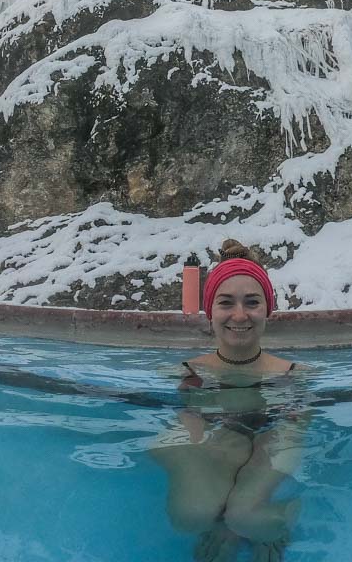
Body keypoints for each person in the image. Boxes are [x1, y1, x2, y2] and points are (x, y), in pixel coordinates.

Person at [151, 239, 308, 562]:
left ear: (268, 310)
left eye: (252, 302)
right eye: (226, 303)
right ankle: (226, 521)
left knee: (250, 518)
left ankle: (277, 518)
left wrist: (260, 457)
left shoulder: (295, 373)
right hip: (216, 441)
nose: (239, 315)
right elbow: (184, 422)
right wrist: (208, 446)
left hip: (272, 438)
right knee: (188, 517)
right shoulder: (184, 372)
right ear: (210, 311)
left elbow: (296, 427)